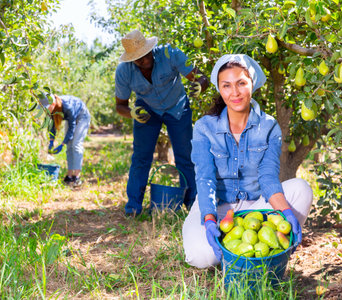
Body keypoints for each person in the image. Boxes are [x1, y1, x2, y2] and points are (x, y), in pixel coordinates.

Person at [182, 54, 314, 268]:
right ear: (219, 89)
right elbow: (205, 178)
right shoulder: (205, 127)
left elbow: (268, 177)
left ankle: (265, 255)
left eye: (241, 83)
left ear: (252, 84)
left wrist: (286, 212)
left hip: (255, 208)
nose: (234, 92)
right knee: (201, 257)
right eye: (226, 86)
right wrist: (209, 219)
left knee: (301, 188)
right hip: (216, 206)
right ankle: (234, 251)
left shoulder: (269, 126)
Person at [115, 29, 209, 217]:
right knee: (141, 158)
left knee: (185, 156)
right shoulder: (124, 72)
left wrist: (200, 86)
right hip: (147, 110)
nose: (143, 60)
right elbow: (120, 106)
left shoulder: (170, 54)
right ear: (131, 59)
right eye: (137, 58)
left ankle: (192, 205)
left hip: (177, 106)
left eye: (145, 54)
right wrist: (132, 113)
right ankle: (133, 208)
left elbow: (201, 77)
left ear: (151, 49)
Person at [40, 93, 91, 187]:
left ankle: (76, 177)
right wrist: (51, 141)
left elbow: (72, 128)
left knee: (75, 145)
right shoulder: (51, 110)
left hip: (82, 116)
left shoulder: (68, 106)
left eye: (47, 107)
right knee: (69, 147)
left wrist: (62, 143)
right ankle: (69, 175)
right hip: (71, 119)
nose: (45, 109)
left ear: (53, 104)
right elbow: (53, 126)